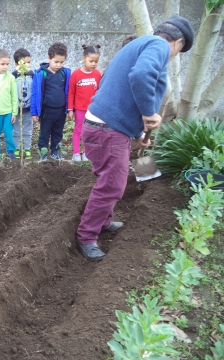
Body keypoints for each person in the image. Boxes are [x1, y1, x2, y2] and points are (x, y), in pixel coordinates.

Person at [76, 15, 194, 261]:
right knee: (112, 185)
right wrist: (149, 113)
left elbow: (118, 88)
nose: (174, 56)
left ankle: (103, 221)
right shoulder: (159, 46)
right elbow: (140, 76)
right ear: (178, 42)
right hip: (107, 130)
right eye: (180, 51)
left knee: (109, 180)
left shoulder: (137, 44)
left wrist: (139, 132)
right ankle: (87, 236)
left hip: (103, 127)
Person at [30, 42, 71, 160]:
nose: (59, 65)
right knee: (44, 133)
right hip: (47, 111)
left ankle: (55, 151)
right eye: (56, 62)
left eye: (62, 62)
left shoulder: (65, 73)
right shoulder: (41, 74)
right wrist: (34, 112)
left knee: (58, 133)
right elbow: (35, 94)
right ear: (49, 58)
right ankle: (42, 153)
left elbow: (68, 91)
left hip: (60, 111)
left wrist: (69, 109)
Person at [67, 45, 102, 162]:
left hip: (93, 109)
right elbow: (71, 93)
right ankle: (76, 153)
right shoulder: (76, 75)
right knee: (78, 130)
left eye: (96, 61)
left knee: (91, 131)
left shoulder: (98, 74)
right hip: (80, 109)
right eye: (91, 61)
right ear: (83, 58)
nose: (93, 64)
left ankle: (86, 152)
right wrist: (70, 109)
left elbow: (99, 91)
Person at [12, 48, 34, 160]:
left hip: (28, 109)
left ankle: (27, 149)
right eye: (23, 63)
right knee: (16, 131)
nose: (27, 65)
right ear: (16, 64)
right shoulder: (13, 77)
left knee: (27, 130)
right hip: (16, 110)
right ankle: (16, 148)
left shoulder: (33, 75)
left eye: (28, 62)